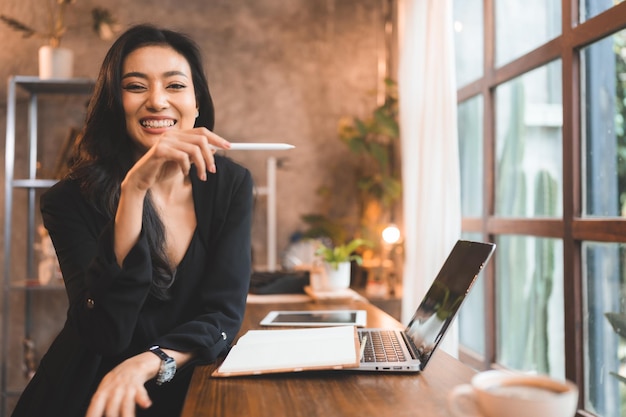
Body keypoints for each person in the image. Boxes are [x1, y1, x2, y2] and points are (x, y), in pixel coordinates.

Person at [11, 24, 253, 417]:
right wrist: (134, 189)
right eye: (136, 86)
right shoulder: (69, 200)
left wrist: (148, 361)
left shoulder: (229, 184)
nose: (157, 101)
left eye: (175, 86)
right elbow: (107, 332)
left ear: (196, 104)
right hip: (91, 393)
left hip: (183, 386)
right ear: (113, 103)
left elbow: (223, 313)